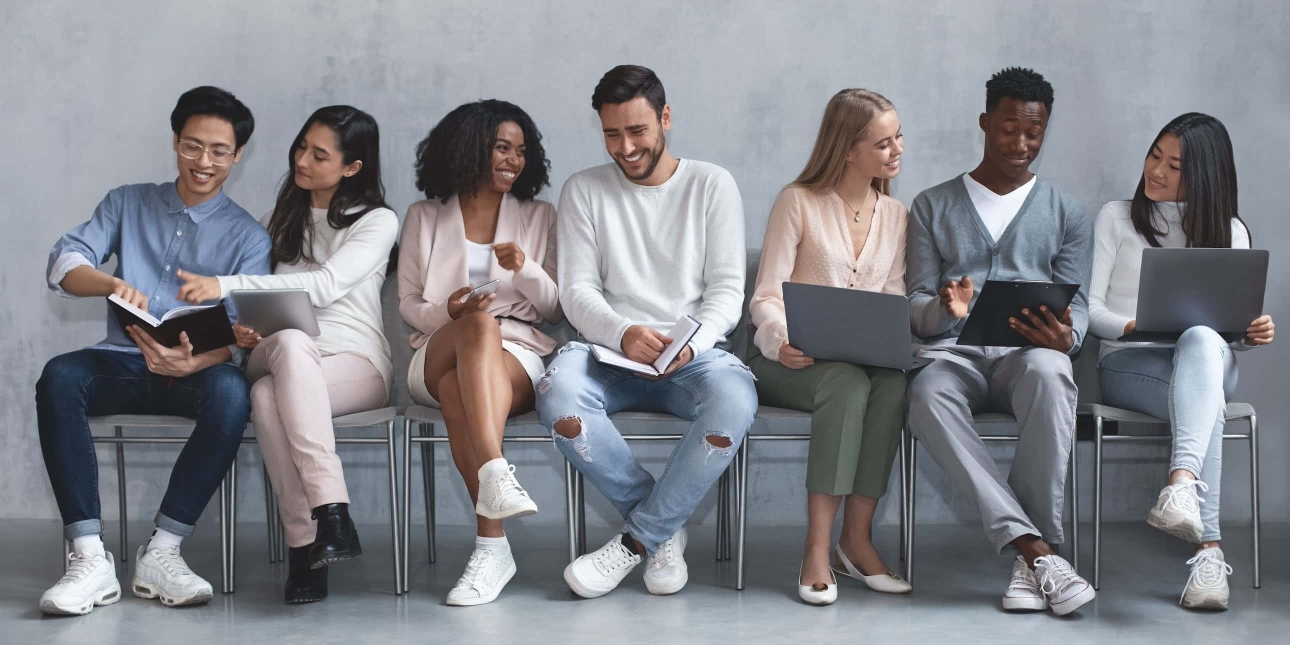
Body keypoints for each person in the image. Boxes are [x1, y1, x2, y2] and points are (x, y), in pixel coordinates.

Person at [35, 86, 269, 615]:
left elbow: (242, 331)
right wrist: (109, 286)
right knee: (60, 376)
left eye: (218, 152)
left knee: (233, 394)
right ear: (174, 141)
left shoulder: (250, 237)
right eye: (191, 146)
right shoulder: (127, 200)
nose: (203, 162)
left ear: (236, 156)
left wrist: (198, 359)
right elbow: (63, 262)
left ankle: (162, 551)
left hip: (195, 374)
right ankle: (89, 556)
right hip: (120, 360)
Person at [536, 65, 757, 599]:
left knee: (735, 402)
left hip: (693, 358)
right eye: (612, 134)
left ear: (666, 118)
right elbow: (577, 291)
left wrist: (692, 342)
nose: (626, 147)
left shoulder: (711, 184)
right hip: (608, 353)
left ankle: (634, 544)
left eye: (637, 131)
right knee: (558, 394)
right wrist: (622, 332)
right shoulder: (584, 189)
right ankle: (662, 529)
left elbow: (727, 292)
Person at [175, 105, 398, 604]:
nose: (302, 160)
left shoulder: (378, 221)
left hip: (354, 361)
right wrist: (241, 326)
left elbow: (325, 285)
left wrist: (224, 282)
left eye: (319, 155)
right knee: (292, 343)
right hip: (274, 348)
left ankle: (304, 548)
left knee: (267, 399)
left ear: (352, 167)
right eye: (301, 147)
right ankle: (333, 510)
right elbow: (251, 307)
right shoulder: (274, 221)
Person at [904, 67, 1097, 616]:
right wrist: (942, 308)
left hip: (1027, 356)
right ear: (985, 123)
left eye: (1033, 133)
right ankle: (1037, 552)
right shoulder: (931, 205)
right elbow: (914, 308)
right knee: (925, 396)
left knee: (1053, 374)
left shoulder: (1068, 213)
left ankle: (1028, 564)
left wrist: (1068, 335)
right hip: (953, 355)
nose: (1020, 145)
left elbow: (1077, 305)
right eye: (1009, 129)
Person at [1088, 113, 1274, 610]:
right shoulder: (1116, 217)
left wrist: (1252, 333)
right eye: (1155, 155)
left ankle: (1181, 487)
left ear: (1205, 177)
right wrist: (1134, 326)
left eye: (1174, 166)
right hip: (1132, 363)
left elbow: (1228, 334)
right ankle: (1208, 551)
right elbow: (1088, 309)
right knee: (1205, 401)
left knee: (1199, 338)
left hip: (1205, 360)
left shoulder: (1230, 231)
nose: (1157, 171)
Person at [748, 88, 912, 605]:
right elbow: (766, 295)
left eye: (898, 137)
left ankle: (855, 541)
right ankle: (816, 547)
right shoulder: (797, 201)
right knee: (845, 384)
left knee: (891, 385)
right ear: (847, 148)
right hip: (787, 361)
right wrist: (780, 341)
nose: (897, 150)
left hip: (860, 365)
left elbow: (892, 298)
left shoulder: (897, 215)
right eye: (883, 143)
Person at [398, 100, 561, 606]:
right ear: (469, 149)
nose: (513, 159)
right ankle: (496, 470)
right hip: (440, 344)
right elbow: (407, 303)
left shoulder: (538, 216)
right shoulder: (424, 217)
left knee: (458, 390)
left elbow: (554, 307)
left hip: (517, 352)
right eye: (501, 148)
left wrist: (527, 268)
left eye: (520, 150)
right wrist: (448, 308)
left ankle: (492, 547)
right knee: (475, 325)